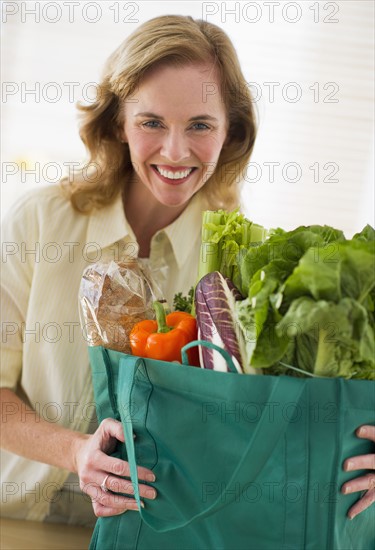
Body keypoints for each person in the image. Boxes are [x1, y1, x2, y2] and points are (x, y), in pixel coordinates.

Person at [0, 14, 373, 528]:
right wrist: (76, 453)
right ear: (117, 123)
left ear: (232, 132)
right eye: (151, 122)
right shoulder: (40, 220)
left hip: (162, 534)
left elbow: (268, 418)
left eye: (200, 125)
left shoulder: (240, 263)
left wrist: (354, 437)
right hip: (22, 523)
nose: (175, 152)